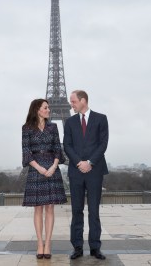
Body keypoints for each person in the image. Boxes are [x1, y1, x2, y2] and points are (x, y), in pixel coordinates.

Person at [63, 90, 109, 260]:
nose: (71, 104)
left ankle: (95, 247)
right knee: (76, 210)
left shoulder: (101, 118)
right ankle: (77, 247)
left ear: (83, 100)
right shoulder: (69, 122)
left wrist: (89, 162)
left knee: (94, 211)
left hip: (95, 170)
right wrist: (78, 163)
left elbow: (103, 144)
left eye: (73, 101)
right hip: (76, 171)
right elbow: (67, 145)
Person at [22, 99, 67, 259]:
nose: (49, 110)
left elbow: (57, 149)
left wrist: (54, 167)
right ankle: (39, 243)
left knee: (49, 208)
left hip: (52, 168)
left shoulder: (53, 127)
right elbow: (26, 152)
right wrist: (40, 168)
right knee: (38, 208)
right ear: (37, 110)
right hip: (36, 169)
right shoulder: (26, 128)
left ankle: (48, 243)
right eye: (46, 107)